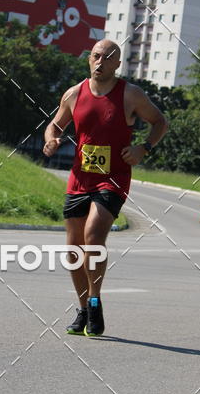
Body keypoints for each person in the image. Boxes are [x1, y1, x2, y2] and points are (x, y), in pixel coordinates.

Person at [43, 39, 168, 337]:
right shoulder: (74, 94)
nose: (100, 62)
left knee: (93, 234)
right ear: (89, 59)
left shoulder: (131, 95)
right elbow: (55, 125)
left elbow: (160, 122)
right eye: (96, 56)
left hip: (113, 178)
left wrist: (143, 148)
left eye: (107, 58)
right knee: (73, 250)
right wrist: (51, 139)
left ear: (117, 64)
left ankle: (95, 300)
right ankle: (83, 308)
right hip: (80, 177)